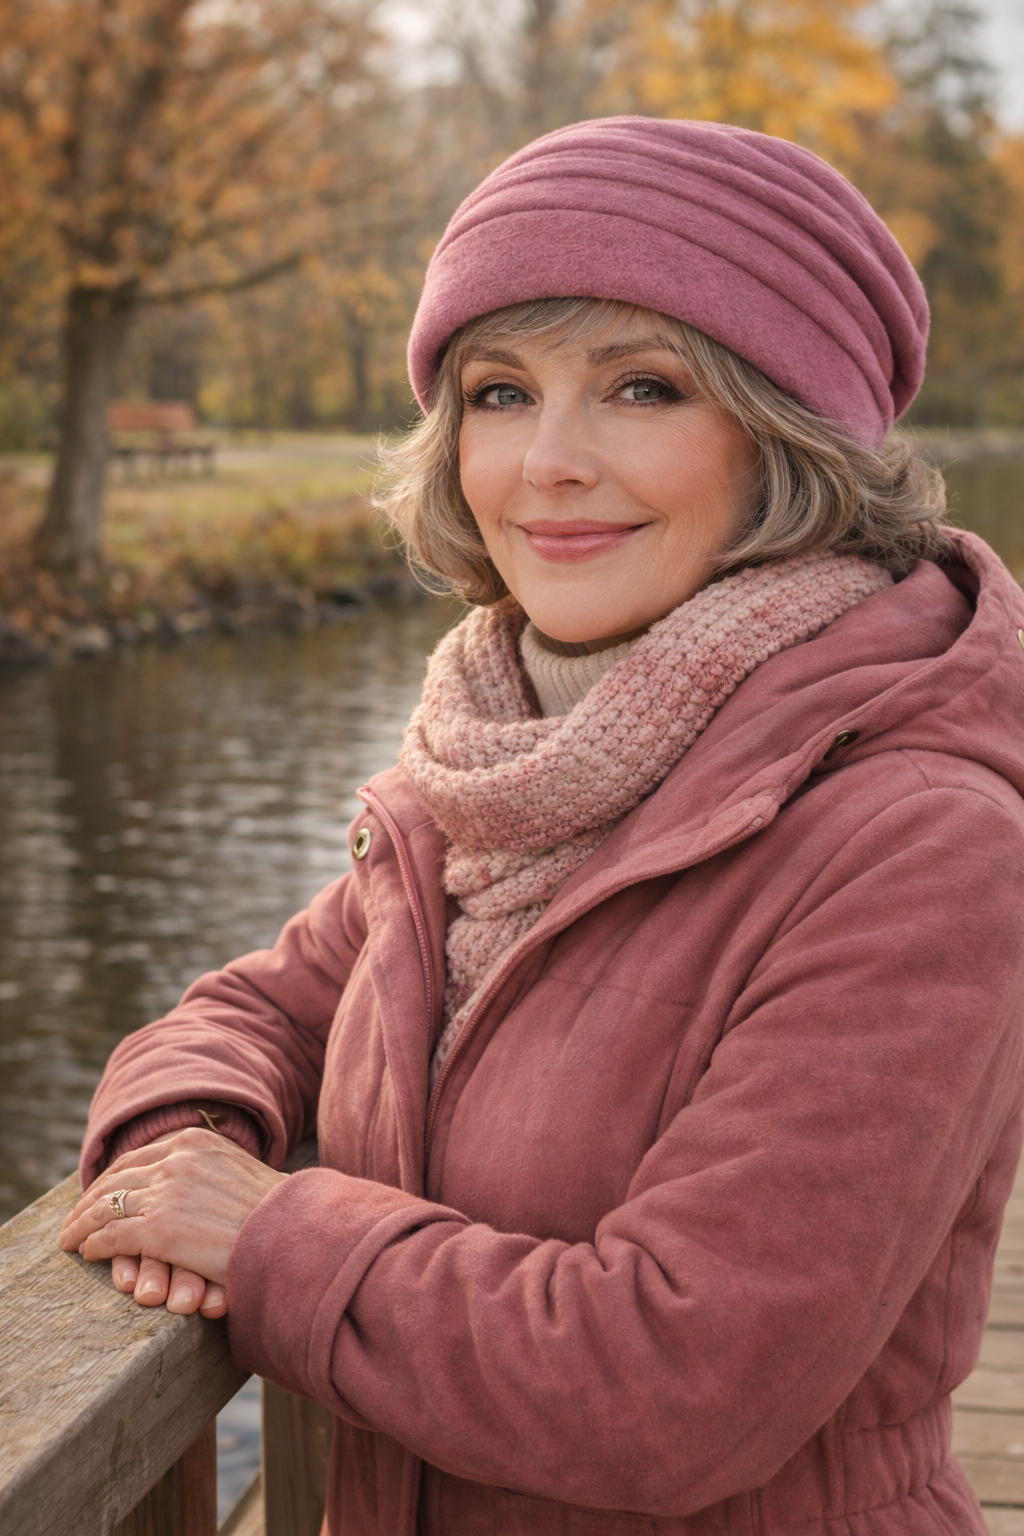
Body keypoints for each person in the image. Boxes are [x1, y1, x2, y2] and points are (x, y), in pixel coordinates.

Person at [59, 118, 1024, 1536]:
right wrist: (179, 1147)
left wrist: (267, 1235)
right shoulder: (492, 769)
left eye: (642, 387)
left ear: (794, 436)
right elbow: (253, 1011)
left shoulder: (921, 839)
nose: (548, 463)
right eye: (501, 394)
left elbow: (680, 1380)